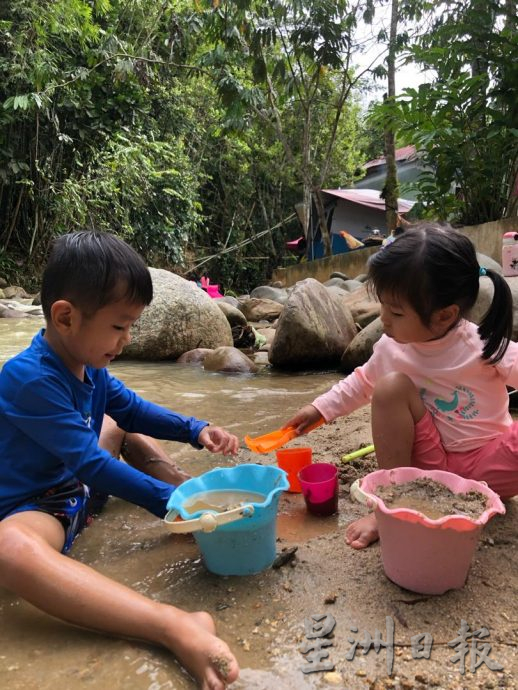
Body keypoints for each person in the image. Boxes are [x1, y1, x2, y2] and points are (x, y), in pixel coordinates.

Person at [0, 231, 240, 690]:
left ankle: (177, 480)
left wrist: (196, 428)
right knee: (10, 550)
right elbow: (91, 464)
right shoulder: (26, 378)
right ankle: (169, 623)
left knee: (120, 424)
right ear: (66, 317)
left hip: (79, 486)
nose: (127, 340)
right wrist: (172, 502)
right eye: (119, 326)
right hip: (40, 507)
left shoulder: (92, 367)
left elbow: (132, 410)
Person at [284, 222, 518, 549]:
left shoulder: (482, 345)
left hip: (488, 468)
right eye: (383, 306)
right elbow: (361, 383)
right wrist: (319, 409)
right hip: (426, 466)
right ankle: (392, 502)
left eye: (395, 311)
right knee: (389, 387)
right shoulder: (392, 348)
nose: (385, 320)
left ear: (444, 315)